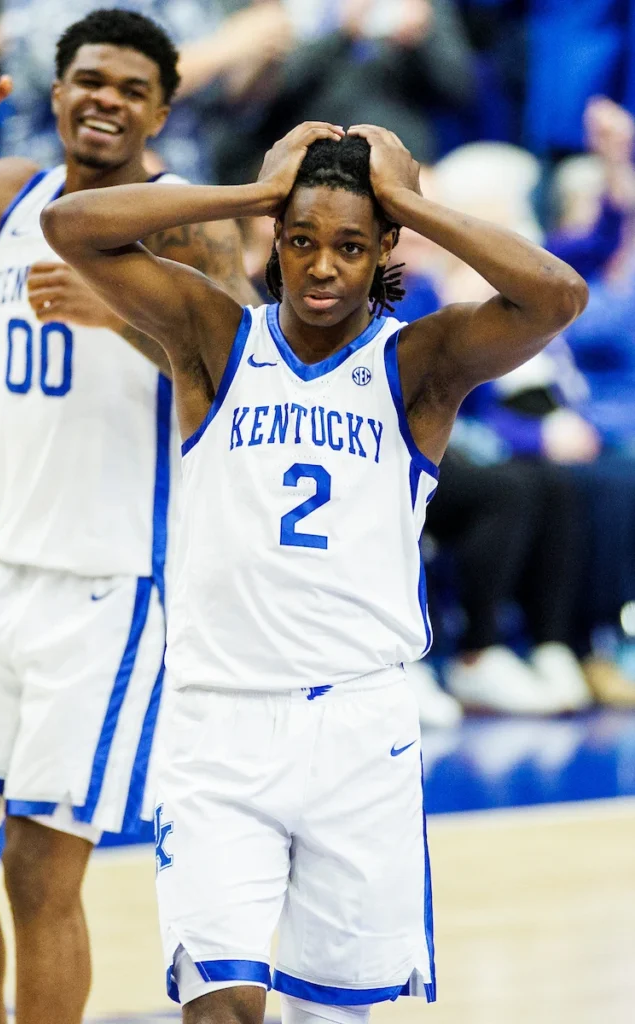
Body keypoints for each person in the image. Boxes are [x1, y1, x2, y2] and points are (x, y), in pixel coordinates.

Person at [41, 122, 587, 1016]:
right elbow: (71, 227)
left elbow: (557, 295)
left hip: (356, 730)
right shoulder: (215, 339)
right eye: (300, 242)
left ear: (381, 252)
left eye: (347, 245)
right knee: (217, 1002)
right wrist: (252, 194)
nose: (321, 267)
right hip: (217, 720)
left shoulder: (419, 365)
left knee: (335, 1011)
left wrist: (408, 201)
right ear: (275, 246)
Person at [0, 9, 254, 1024]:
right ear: (57, 91)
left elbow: (244, 370)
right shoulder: (10, 191)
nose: (104, 98)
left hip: (118, 582)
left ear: (159, 108)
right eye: (88, 80)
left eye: (128, 87)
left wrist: (126, 311)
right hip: (5, 573)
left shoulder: (183, 217)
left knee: (36, 864)